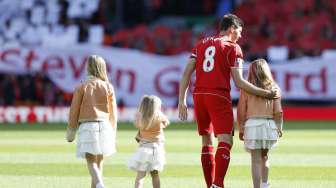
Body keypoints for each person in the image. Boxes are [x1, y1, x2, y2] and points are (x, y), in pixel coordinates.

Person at [178, 14, 279, 188]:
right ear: (232, 29)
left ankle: (210, 185)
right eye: (239, 32)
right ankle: (218, 184)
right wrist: (264, 93)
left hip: (199, 96)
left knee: (206, 140)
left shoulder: (200, 44)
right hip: (218, 95)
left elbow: (187, 72)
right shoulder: (233, 48)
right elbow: (239, 82)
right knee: (226, 140)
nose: (240, 36)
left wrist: (181, 100)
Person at [66, 55, 118, 188]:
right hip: (105, 126)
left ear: (88, 68)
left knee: (91, 162)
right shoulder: (108, 87)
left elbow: (74, 111)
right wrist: (113, 132)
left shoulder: (81, 87)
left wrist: (71, 132)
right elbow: (113, 114)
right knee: (99, 163)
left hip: (88, 126)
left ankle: (100, 185)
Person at [237, 59, 283, 188]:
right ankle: (265, 184)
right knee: (265, 157)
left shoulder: (246, 89)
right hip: (269, 125)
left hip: (252, 125)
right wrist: (279, 127)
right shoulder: (274, 87)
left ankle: (256, 187)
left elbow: (241, 110)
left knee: (255, 160)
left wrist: (240, 128)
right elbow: (278, 112)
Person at [128, 95, 169, 188]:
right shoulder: (159, 116)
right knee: (155, 175)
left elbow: (137, 124)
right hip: (156, 150)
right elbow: (166, 122)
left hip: (143, 149)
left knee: (140, 176)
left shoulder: (140, 118)